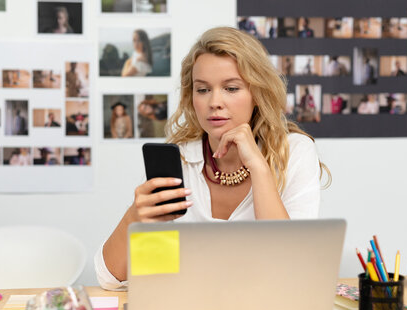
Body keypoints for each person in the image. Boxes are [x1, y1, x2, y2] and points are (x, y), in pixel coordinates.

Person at [95, 27, 329, 290]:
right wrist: (134, 217)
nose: (215, 102)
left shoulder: (294, 151)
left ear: (257, 94)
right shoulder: (180, 159)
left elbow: (291, 268)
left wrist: (259, 169)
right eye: (203, 90)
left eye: (231, 88)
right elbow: (111, 279)